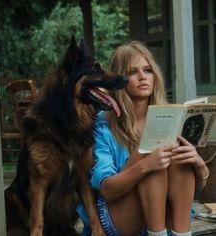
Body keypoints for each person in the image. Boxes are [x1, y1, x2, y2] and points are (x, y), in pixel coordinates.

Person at [85, 41, 209, 236]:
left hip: (166, 217)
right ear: (119, 79)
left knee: (176, 158)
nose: (143, 77)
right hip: (119, 214)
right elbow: (107, 191)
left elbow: (192, 189)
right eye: (133, 72)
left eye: (148, 70)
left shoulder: (172, 116)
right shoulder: (103, 123)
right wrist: (145, 165)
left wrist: (198, 164)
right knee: (151, 154)